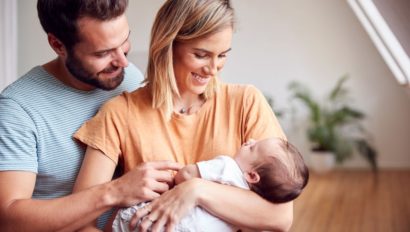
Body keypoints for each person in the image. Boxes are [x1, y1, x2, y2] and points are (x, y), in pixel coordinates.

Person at [74, 0, 294, 231]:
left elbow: (280, 217)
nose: (213, 69)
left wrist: (195, 191)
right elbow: (80, 221)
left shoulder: (246, 103)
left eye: (222, 55)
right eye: (201, 55)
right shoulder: (119, 114)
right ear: (168, 45)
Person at [0, 1, 182, 231]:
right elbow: (8, 221)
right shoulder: (18, 109)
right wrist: (115, 192)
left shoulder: (129, 79)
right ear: (58, 44)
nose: (123, 61)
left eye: (124, 41)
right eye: (103, 53)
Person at [112, 137, 309, 232]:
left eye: (253, 147)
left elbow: (185, 175)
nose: (249, 140)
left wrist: (182, 174)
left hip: (162, 223)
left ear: (251, 175)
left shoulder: (227, 167)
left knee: (127, 219)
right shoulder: (251, 203)